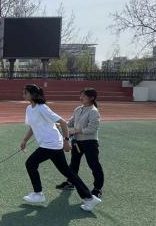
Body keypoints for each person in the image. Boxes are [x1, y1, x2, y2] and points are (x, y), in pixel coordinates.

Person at [19, 84, 101, 212]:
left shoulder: (42, 108)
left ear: (33, 95)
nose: (23, 95)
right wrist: (24, 140)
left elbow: (62, 122)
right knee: (67, 171)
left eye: (25, 93)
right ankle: (89, 198)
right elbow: (32, 126)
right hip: (49, 144)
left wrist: (66, 141)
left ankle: (38, 194)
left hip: (51, 144)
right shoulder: (29, 108)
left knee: (30, 163)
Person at [56, 88, 104, 197]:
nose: (81, 98)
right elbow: (71, 122)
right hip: (77, 142)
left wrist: (76, 131)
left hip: (90, 143)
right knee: (74, 163)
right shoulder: (78, 109)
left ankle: (98, 188)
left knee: (94, 165)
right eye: (80, 95)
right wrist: (60, 124)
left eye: (84, 96)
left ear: (91, 98)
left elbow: (92, 129)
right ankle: (70, 182)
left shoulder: (94, 111)